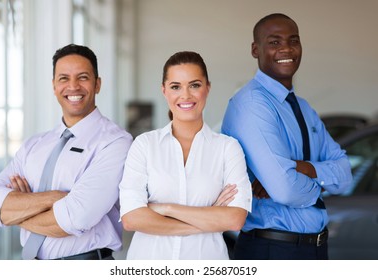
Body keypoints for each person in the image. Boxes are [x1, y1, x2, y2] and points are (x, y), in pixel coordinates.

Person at [221, 13, 353, 259]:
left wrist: (301, 168)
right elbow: (286, 190)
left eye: (293, 40)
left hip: (314, 248)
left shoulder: (303, 108)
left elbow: (346, 175)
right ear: (255, 49)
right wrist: (322, 182)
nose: (286, 48)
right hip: (272, 249)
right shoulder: (251, 104)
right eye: (274, 42)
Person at [0, 44, 132, 260]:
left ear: (98, 84)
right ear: (54, 86)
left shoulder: (115, 142)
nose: (73, 86)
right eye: (64, 78)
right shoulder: (34, 145)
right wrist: (55, 198)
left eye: (83, 77)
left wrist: (17, 212)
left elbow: (75, 217)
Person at [119, 51, 252, 259]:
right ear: (164, 91)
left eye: (195, 85)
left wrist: (166, 208)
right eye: (175, 86)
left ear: (207, 87)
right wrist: (208, 219)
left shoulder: (228, 148)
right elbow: (132, 218)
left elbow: (234, 219)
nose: (186, 95)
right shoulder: (144, 145)